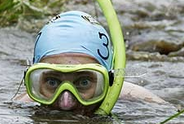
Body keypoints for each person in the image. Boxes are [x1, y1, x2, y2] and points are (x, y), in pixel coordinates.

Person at [15, 10, 166, 114]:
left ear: (109, 82)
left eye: (84, 82)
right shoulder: (23, 104)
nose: (65, 103)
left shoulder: (138, 99)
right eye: (52, 83)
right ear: (35, 82)